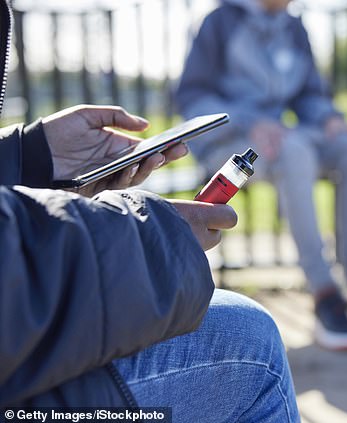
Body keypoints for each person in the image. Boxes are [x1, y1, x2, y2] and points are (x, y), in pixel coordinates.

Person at [0, 2, 300, 420]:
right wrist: (155, 237)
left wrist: (27, 156)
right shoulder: (222, 22)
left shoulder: (293, 26)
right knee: (249, 345)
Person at [176, 0, 347, 351]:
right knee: (296, 151)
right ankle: (324, 292)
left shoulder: (294, 28)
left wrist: (328, 117)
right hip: (228, 142)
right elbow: (191, 98)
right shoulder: (219, 22)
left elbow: (309, 96)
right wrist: (250, 120)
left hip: (282, 137)